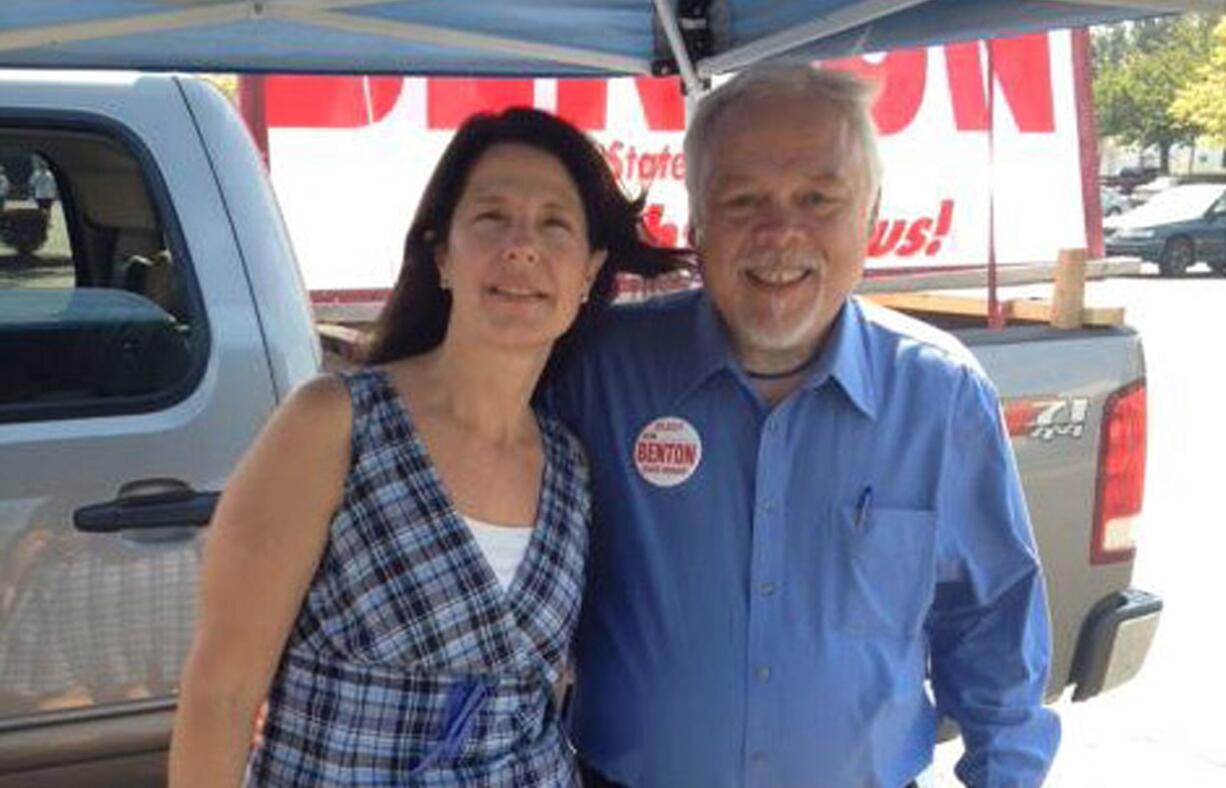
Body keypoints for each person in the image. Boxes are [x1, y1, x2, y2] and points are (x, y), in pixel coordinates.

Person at [549, 65, 1060, 787]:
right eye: (743, 198)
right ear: (696, 219)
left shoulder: (940, 396)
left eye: (819, 198)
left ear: (872, 216)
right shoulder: (599, 373)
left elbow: (993, 627)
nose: (780, 232)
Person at [169, 107, 684, 787]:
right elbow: (221, 695)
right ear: (442, 255)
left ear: (588, 272)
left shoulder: (570, 467)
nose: (521, 246)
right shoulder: (334, 425)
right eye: (492, 217)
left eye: (554, 224)